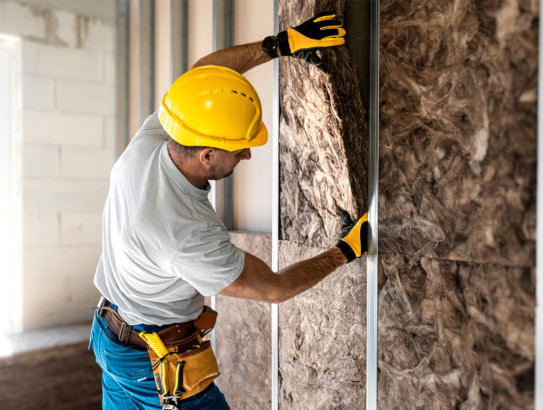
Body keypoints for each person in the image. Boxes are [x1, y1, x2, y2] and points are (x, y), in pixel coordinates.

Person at [89, 12, 368, 410]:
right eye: (239, 149)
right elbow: (274, 288)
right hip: (153, 364)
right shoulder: (186, 235)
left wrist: (283, 44)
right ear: (206, 155)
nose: (249, 154)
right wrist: (345, 251)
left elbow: (204, 76)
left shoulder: (155, 139)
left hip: (112, 336)